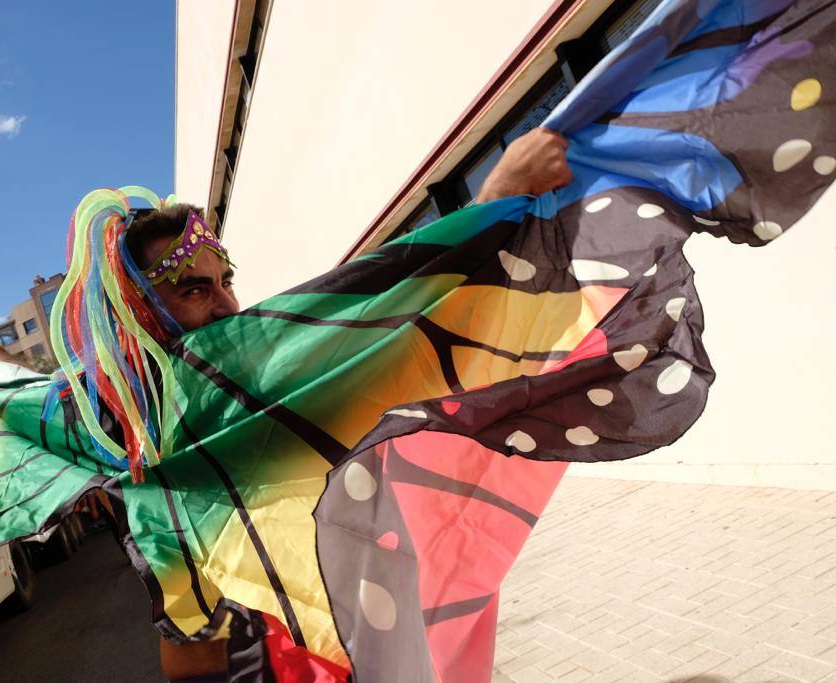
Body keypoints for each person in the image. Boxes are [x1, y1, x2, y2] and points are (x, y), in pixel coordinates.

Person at [116, 126, 572, 680]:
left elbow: (378, 331)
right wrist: (495, 201)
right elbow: (379, 310)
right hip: (242, 667)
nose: (227, 305)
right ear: (137, 312)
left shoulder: (244, 373)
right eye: (193, 289)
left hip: (329, 646)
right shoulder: (128, 412)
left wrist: (496, 206)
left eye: (225, 281)